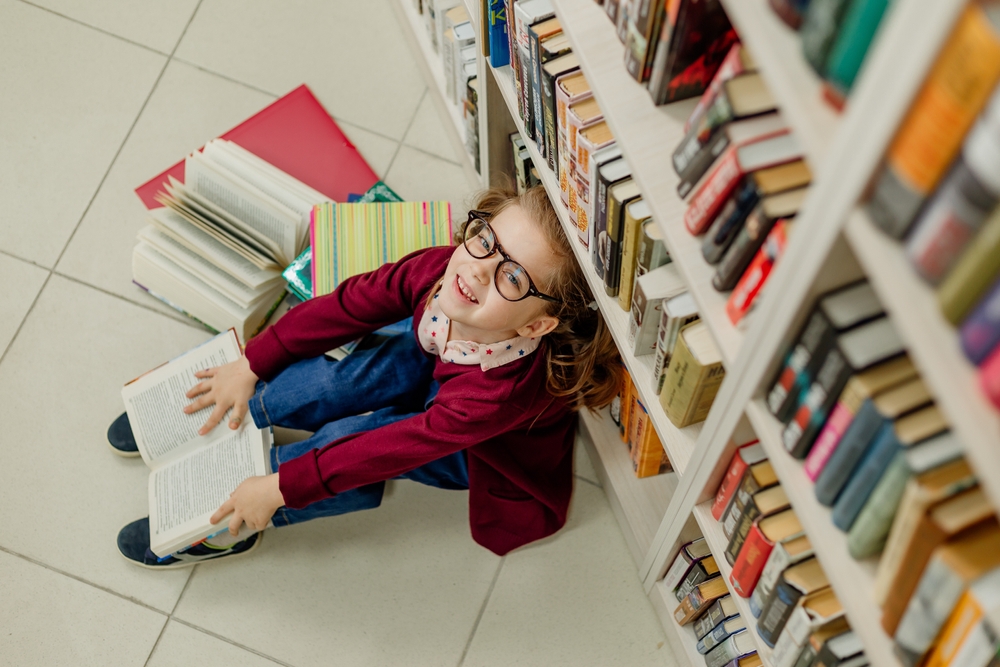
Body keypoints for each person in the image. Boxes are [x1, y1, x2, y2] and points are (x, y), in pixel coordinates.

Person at [111, 185, 622, 568]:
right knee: (337, 379)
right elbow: (353, 303)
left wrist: (282, 488)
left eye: (514, 277)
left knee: (349, 437)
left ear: (536, 324)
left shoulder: (501, 394)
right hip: (442, 368)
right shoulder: (449, 270)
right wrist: (252, 363)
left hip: (475, 450)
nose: (480, 270)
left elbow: (391, 446)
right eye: (486, 240)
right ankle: (244, 407)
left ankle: (237, 514)